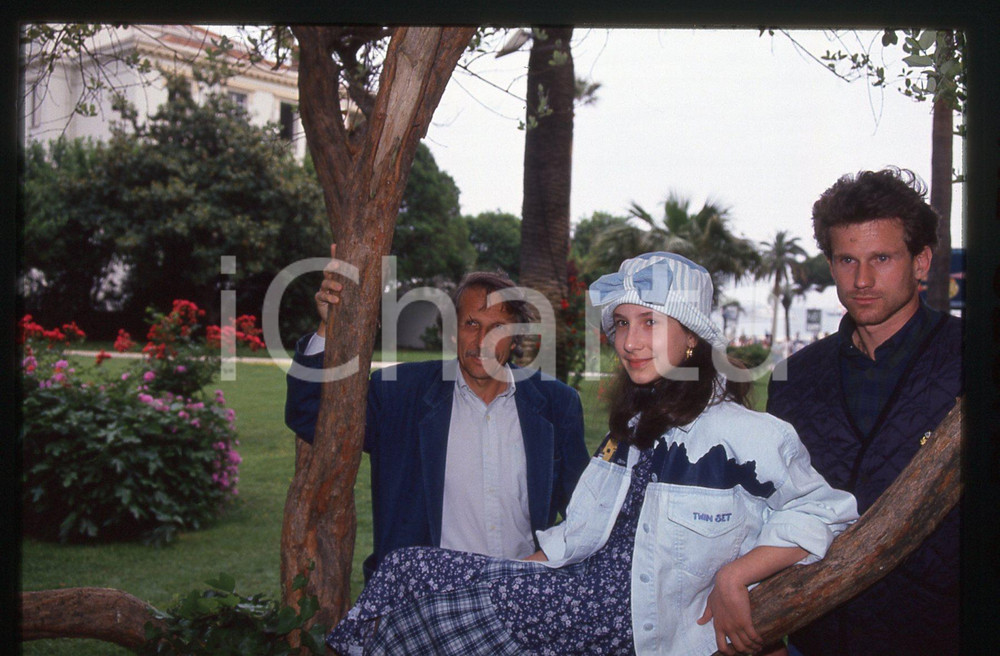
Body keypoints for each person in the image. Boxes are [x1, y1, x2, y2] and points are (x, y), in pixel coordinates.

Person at [325, 251, 858, 656]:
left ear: (693, 336)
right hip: (575, 590)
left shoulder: (747, 435)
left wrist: (735, 575)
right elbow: (580, 531)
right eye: (622, 323)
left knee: (421, 606)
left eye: (650, 322)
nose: (629, 341)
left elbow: (829, 510)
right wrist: (510, 574)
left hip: (618, 621)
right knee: (404, 571)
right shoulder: (632, 430)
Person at [285, 244, 589, 582]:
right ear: (453, 331)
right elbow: (309, 416)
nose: (483, 341)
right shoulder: (399, 395)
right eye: (472, 323)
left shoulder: (556, 405)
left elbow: (586, 515)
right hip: (423, 599)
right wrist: (328, 329)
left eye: (498, 328)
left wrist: (543, 567)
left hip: (520, 594)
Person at [767, 168, 962, 655]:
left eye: (882, 258)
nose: (862, 280)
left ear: (921, 261)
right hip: (816, 634)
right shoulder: (794, 378)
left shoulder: (972, 360)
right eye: (847, 260)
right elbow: (771, 510)